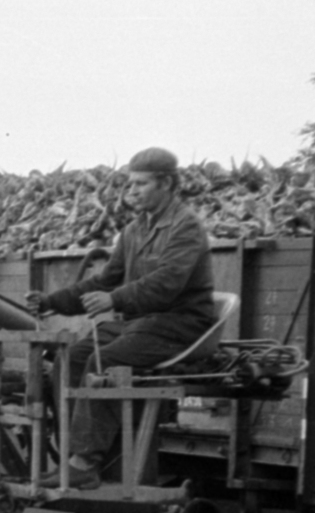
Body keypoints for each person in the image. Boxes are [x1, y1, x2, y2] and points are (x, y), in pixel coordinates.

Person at [25, 147, 215, 489]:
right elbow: (104, 280)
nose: (132, 191)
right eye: (131, 184)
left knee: (105, 361)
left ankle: (85, 463)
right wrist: (52, 301)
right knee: (73, 358)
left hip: (179, 324)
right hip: (141, 324)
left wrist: (114, 299)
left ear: (166, 184)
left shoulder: (186, 227)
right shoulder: (134, 230)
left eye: (141, 184)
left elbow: (166, 283)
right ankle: (74, 457)